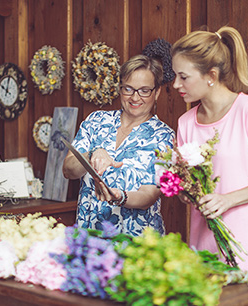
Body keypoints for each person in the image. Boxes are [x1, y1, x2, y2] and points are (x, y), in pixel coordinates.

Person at [171, 26, 248, 305]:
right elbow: (184, 184)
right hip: (205, 243)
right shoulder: (186, 122)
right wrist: (181, 189)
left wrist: (228, 199)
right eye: (176, 76)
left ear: (211, 76)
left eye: (183, 76)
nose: (176, 84)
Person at [63, 40, 175, 237]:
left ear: (156, 92)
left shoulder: (164, 136)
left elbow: (149, 195)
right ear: (120, 88)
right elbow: (68, 170)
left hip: (138, 243)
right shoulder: (96, 121)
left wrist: (120, 197)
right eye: (128, 89)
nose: (135, 97)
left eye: (144, 90)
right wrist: (91, 154)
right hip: (89, 238)